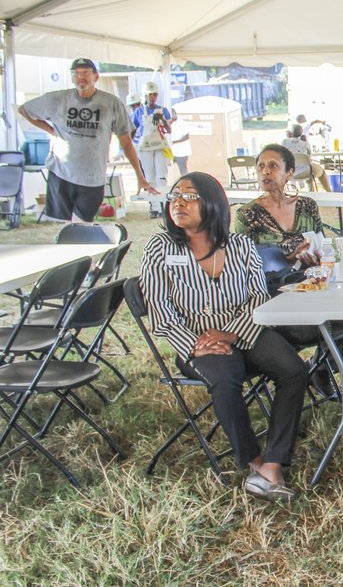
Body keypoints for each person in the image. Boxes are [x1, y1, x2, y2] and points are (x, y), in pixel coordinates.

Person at [141, 172, 308, 502]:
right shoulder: (159, 248)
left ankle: (274, 462)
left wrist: (231, 333)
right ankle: (254, 463)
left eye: (189, 196)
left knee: (294, 370)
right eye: (174, 196)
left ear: (213, 203)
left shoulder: (241, 245)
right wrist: (195, 345)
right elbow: (160, 310)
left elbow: (258, 298)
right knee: (226, 375)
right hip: (196, 342)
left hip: (244, 329)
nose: (178, 202)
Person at [233, 146, 343, 391]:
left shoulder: (307, 206)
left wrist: (317, 257)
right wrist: (290, 258)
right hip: (273, 292)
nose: (265, 172)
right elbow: (243, 266)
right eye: (260, 166)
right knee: (338, 316)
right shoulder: (247, 214)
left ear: (289, 172)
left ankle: (325, 367)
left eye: (273, 166)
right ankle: (330, 365)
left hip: (312, 282)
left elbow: (322, 247)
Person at [18, 57, 156, 221]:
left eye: (85, 73)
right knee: (65, 226)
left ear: (96, 77)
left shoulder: (111, 103)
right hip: (61, 173)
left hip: (93, 177)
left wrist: (140, 176)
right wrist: (51, 130)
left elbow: (126, 142)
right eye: (76, 74)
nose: (80, 77)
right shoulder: (57, 99)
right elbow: (24, 110)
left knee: (83, 224)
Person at [131, 81, 176, 218]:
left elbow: (169, 130)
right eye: (150, 95)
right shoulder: (139, 112)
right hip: (145, 148)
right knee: (149, 177)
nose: (153, 97)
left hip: (160, 146)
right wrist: (133, 145)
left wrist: (162, 119)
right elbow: (132, 130)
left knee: (161, 176)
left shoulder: (163, 110)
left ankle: (163, 205)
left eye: (155, 94)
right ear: (146, 95)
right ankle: (153, 206)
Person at [281, 124, 333, 192]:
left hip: (288, 172)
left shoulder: (284, 142)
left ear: (290, 133)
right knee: (320, 172)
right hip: (305, 172)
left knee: (309, 170)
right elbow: (309, 158)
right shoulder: (305, 143)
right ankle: (328, 192)